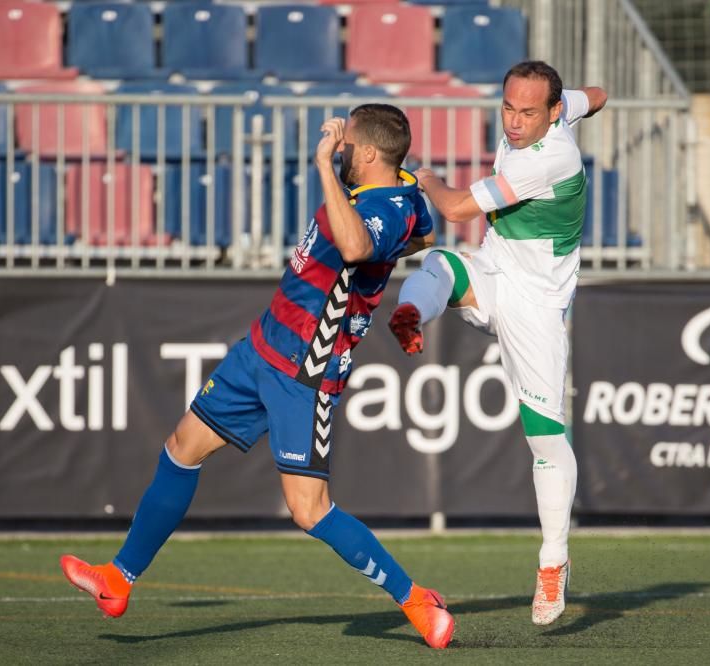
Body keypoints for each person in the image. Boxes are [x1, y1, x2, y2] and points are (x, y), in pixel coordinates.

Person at [60, 104, 455, 649]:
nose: (338, 148)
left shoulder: (388, 204)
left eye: (345, 144)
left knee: (308, 510)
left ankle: (415, 599)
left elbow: (359, 247)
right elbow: (423, 236)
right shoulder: (401, 192)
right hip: (262, 349)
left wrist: (322, 167)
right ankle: (118, 579)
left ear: (366, 153)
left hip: (305, 372)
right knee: (180, 448)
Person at [387, 60, 608, 626]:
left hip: (536, 306)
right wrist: (589, 99)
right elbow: (597, 96)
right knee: (440, 262)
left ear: (552, 113)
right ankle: (413, 311)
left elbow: (457, 207)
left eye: (527, 112)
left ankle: (553, 561)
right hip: (494, 270)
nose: (513, 122)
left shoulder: (554, 154)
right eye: (507, 107)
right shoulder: (560, 109)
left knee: (543, 441)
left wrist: (424, 177)